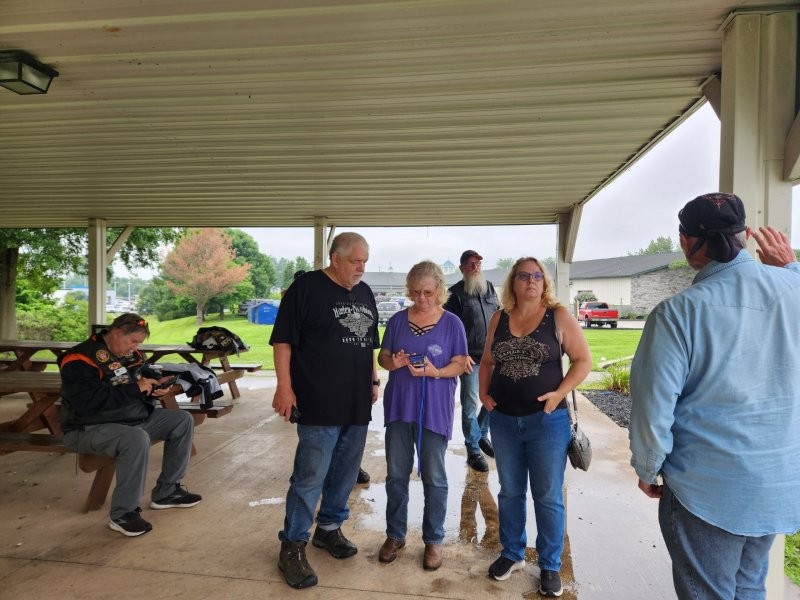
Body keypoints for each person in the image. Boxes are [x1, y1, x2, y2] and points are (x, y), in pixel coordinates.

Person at [629, 193, 800, 600]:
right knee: (749, 586)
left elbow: (653, 407)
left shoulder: (678, 313)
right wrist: (791, 267)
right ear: (745, 235)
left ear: (686, 242)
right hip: (774, 483)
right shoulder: (793, 289)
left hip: (706, 489)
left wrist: (648, 467)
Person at [270, 232, 380, 589]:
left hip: (356, 402)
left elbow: (368, 343)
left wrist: (373, 380)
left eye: (365, 261)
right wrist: (284, 387)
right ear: (335, 258)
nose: (361, 268)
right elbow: (283, 341)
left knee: (345, 472)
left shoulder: (364, 292)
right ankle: (292, 544)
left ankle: (329, 528)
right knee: (310, 476)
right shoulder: (306, 288)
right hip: (317, 400)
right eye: (355, 261)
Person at [478, 257, 591, 596]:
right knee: (510, 490)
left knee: (547, 495)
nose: (531, 281)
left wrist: (559, 393)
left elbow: (583, 360)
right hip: (503, 421)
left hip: (547, 422)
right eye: (524, 276)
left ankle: (550, 564)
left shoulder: (558, 316)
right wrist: (483, 393)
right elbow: (487, 361)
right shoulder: (499, 318)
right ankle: (512, 553)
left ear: (545, 283)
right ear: (513, 282)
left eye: (537, 276)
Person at [58, 313, 202, 537]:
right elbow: (87, 403)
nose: (135, 348)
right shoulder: (79, 359)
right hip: (87, 427)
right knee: (135, 439)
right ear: (116, 333)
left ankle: (167, 492)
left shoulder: (128, 353)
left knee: (181, 420)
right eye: (133, 341)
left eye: (138, 343)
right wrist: (136, 388)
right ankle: (123, 514)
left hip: (131, 420)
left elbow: (143, 374)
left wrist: (157, 384)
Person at [377, 260, 468, 571]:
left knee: (434, 476)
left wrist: (436, 371)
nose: (421, 298)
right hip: (399, 406)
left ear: (439, 290)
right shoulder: (398, 321)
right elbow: (383, 357)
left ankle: (434, 539)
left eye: (427, 292)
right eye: (415, 292)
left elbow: (460, 363)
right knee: (396, 475)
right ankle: (395, 535)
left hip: (434, 409)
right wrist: (395, 363)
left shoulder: (452, 323)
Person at [443, 249, 499, 473]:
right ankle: (473, 449)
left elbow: (500, 318)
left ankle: (482, 433)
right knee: (470, 405)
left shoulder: (490, 288)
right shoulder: (454, 294)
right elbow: (447, 329)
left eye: (478, 263)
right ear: (462, 268)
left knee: (496, 398)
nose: (475, 267)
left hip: (493, 357)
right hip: (470, 359)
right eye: (470, 264)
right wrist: (461, 353)